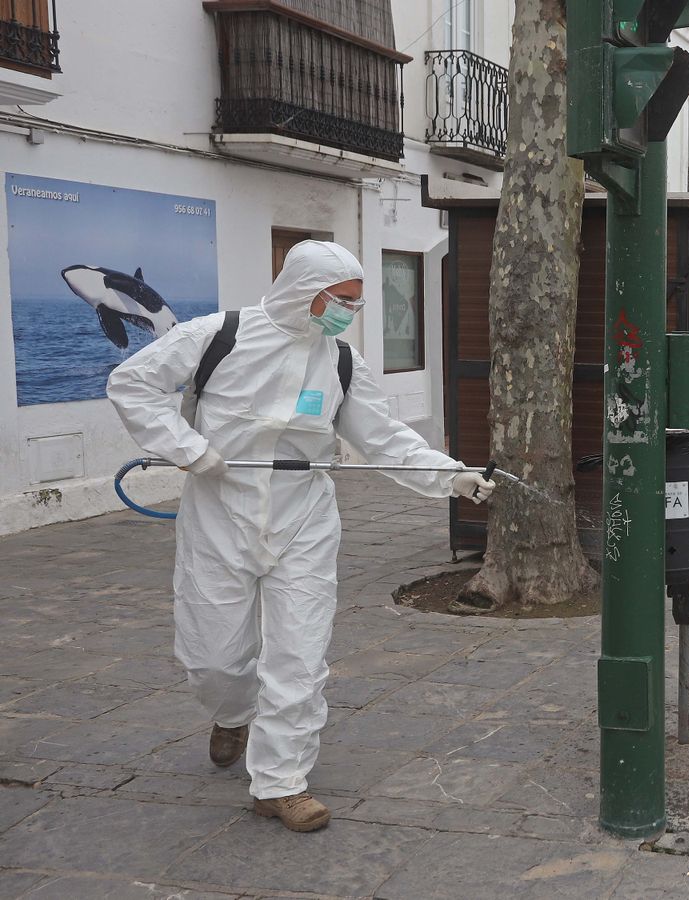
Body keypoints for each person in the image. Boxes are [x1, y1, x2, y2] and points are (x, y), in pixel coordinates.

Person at [107, 241, 497, 831]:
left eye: (356, 302)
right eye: (340, 299)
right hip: (220, 514)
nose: (348, 311)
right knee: (215, 657)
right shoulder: (219, 335)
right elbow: (133, 383)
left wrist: (451, 475)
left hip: (305, 521)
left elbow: (383, 437)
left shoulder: (340, 360)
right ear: (302, 288)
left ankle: (280, 783)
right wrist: (190, 450)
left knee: (299, 656)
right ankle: (231, 712)